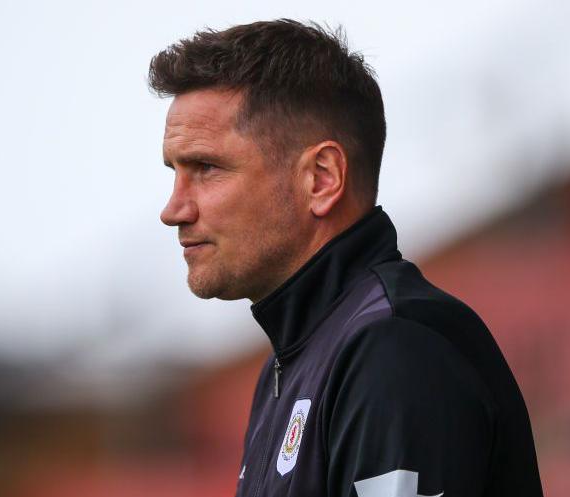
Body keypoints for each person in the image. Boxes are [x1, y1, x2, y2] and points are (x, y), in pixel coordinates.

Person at [150, 19, 543, 497]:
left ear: (321, 178)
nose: (174, 210)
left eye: (207, 168)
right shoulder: (293, 361)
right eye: (175, 172)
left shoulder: (395, 349)